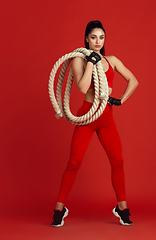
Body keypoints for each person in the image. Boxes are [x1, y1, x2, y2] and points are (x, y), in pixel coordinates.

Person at [51, 20, 139, 227]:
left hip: (106, 117)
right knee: (74, 163)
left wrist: (120, 100)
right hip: (87, 116)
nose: (98, 41)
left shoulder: (112, 60)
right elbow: (82, 88)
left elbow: (133, 81)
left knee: (118, 161)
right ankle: (58, 209)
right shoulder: (79, 60)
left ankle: (122, 207)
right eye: (93, 37)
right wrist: (91, 61)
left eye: (101, 37)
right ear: (86, 39)